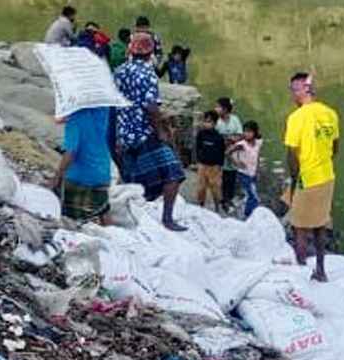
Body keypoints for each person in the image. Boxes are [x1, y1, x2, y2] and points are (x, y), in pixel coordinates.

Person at [113, 32, 186, 231]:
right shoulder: (148, 73)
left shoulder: (119, 71)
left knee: (133, 178)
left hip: (124, 133)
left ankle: (130, 217)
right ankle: (167, 219)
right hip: (144, 133)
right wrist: (161, 131)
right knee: (173, 174)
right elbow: (151, 107)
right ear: (150, 52)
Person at [282, 72, 340, 282]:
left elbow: (292, 154)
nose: (292, 95)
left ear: (303, 90)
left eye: (294, 90)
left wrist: (294, 181)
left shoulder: (296, 118)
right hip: (327, 176)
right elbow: (335, 147)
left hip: (307, 178)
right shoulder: (330, 113)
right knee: (320, 224)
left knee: (299, 227)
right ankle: (321, 270)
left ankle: (301, 273)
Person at [50, 106, 114, 225]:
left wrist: (57, 177)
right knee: (103, 209)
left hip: (79, 178)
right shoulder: (105, 110)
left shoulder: (76, 118)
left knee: (72, 221)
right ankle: (114, 234)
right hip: (103, 173)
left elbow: (71, 152)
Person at [214, 97, 244, 212]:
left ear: (225, 109)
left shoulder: (235, 119)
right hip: (218, 153)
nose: (216, 109)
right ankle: (220, 200)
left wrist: (232, 139)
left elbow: (240, 135)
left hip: (232, 153)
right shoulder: (215, 120)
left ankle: (229, 199)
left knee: (231, 177)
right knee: (219, 177)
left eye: (218, 107)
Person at [193, 111, 226, 211]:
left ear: (214, 123)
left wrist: (219, 166)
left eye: (209, 122)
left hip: (214, 166)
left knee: (215, 187)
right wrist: (197, 161)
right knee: (201, 187)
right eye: (205, 121)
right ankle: (200, 206)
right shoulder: (201, 134)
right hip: (202, 164)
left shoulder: (219, 137)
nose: (206, 124)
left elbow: (221, 152)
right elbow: (197, 148)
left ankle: (217, 207)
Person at [231, 120, 263, 219]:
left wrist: (258, 170)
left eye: (249, 132)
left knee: (250, 194)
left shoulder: (258, 143)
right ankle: (247, 214)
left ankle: (244, 210)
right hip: (243, 173)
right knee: (253, 196)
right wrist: (237, 162)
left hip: (252, 173)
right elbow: (228, 152)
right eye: (245, 131)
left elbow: (257, 156)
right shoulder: (242, 144)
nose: (247, 134)